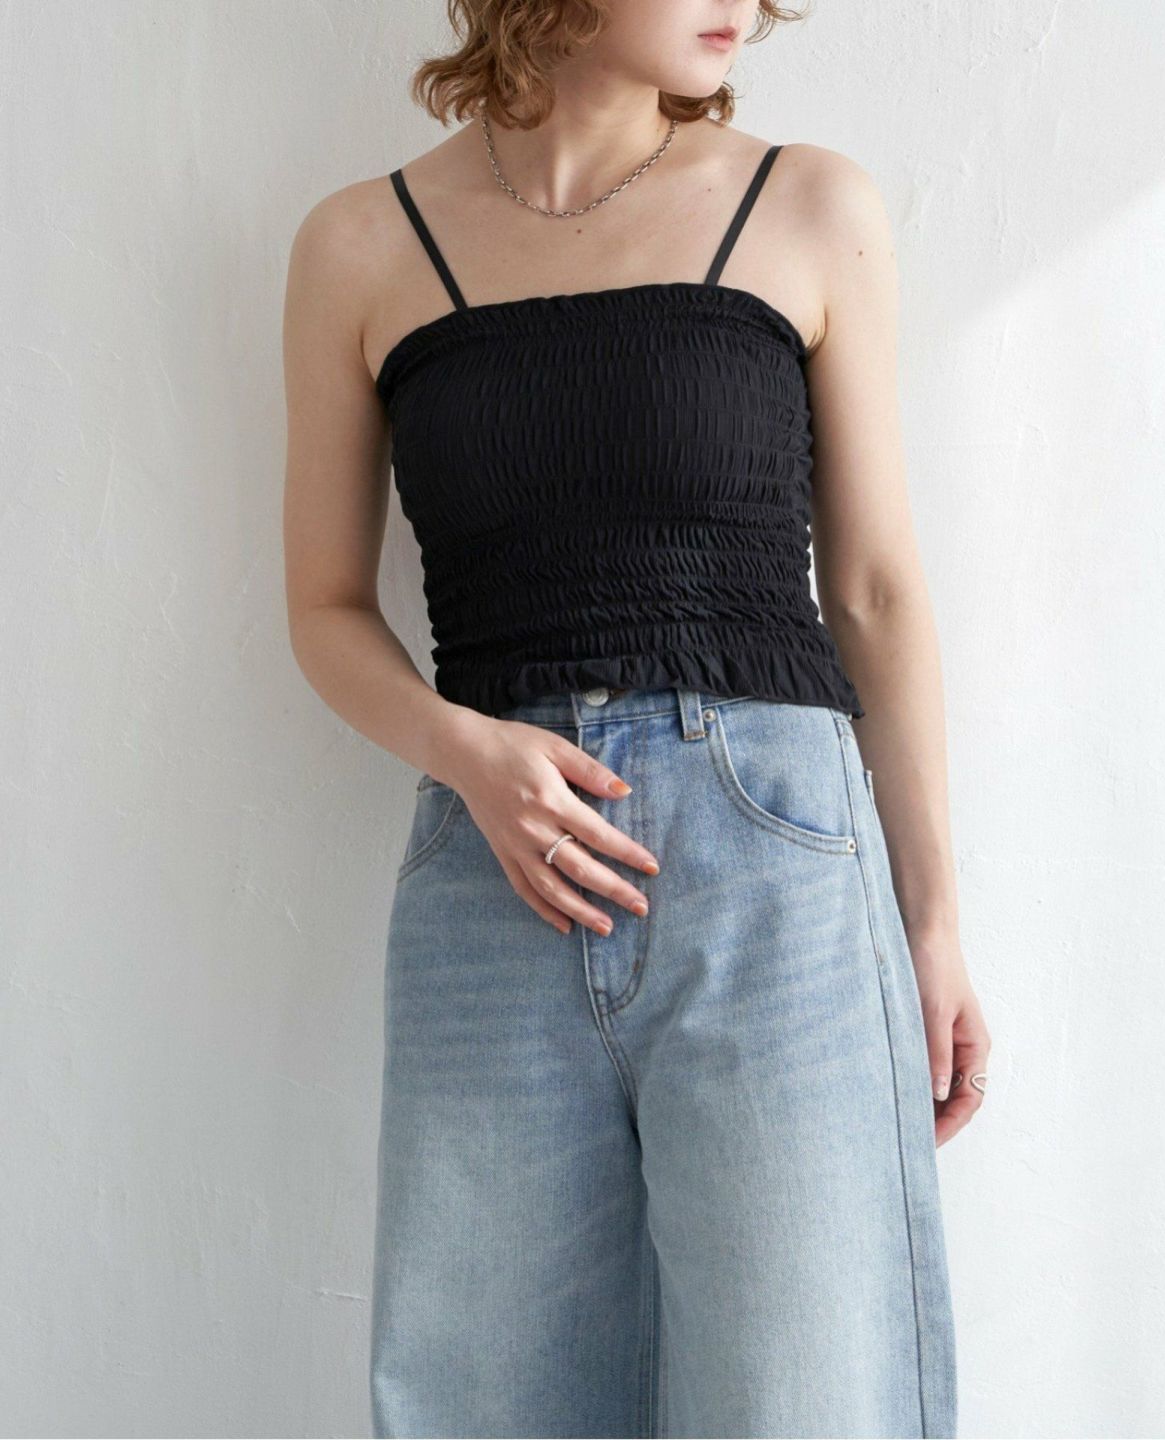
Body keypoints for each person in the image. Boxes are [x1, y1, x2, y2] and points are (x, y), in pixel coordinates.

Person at [282, 2, 990, 1435]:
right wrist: (465, 751)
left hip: (778, 870)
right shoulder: (362, 243)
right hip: (493, 874)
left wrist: (930, 922)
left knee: (807, 1392)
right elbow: (325, 608)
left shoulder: (806, 205)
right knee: (483, 1396)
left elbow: (871, 591)